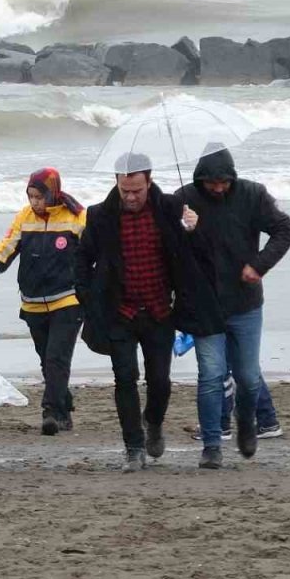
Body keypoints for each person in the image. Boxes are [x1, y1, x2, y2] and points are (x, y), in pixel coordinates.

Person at [74, 153, 222, 472]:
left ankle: (153, 422)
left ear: (149, 181)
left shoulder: (171, 208)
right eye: (125, 189)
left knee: (160, 381)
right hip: (120, 312)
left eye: (137, 190)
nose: (130, 196)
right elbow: (82, 260)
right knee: (124, 378)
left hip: (159, 310)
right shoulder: (99, 215)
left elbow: (199, 253)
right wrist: (88, 301)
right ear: (116, 182)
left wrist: (194, 228)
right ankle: (133, 448)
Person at [174, 146, 290, 469]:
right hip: (205, 306)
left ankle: (246, 423)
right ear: (200, 179)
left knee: (248, 376)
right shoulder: (184, 199)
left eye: (224, 182)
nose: (217, 187)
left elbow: (285, 230)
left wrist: (259, 265)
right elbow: (171, 249)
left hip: (245, 303)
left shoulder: (252, 195)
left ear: (232, 178)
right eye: (211, 182)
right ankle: (212, 445)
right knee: (211, 375)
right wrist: (183, 228)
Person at [0, 168, 86, 436]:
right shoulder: (25, 217)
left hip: (67, 300)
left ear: (53, 192)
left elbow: (93, 255)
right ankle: (64, 403)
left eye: (39, 196)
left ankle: (52, 413)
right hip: (32, 302)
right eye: (31, 196)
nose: (35, 202)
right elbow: (7, 247)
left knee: (57, 358)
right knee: (47, 360)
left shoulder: (77, 217)